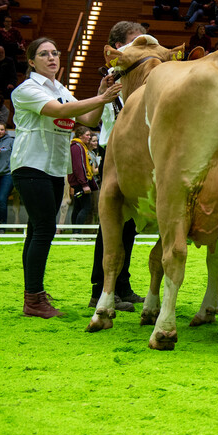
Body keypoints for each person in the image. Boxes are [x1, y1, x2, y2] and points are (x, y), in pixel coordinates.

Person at [11, 36, 122, 318]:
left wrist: (100, 91)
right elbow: (60, 111)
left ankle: (33, 295)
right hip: (30, 165)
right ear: (32, 61)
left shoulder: (60, 88)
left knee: (37, 230)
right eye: (44, 54)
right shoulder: (26, 89)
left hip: (53, 168)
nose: (52, 58)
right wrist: (101, 97)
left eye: (55, 53)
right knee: (45, 229)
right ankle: (33, 298)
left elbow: (88, 118)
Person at [88, 20, 148, 313]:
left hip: (133, 156)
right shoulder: (116, 76)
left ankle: (121, 285)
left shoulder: (140, 74)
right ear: (119, 46)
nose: (143, 45)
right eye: (136, 41)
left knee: (130, 226)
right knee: (109, 225)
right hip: (111, 152)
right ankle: (99, 288)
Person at [68, 125, 98, 225]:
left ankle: (76, 232)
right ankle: (77, 232)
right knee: (86, 207)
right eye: (87, 135)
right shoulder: (77, 147)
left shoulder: (82, 147)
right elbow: (79, 167)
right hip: (80, 183)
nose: (89, 137)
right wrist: (84, 184)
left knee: (77, 207)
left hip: (81, 182)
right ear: (80, 136)